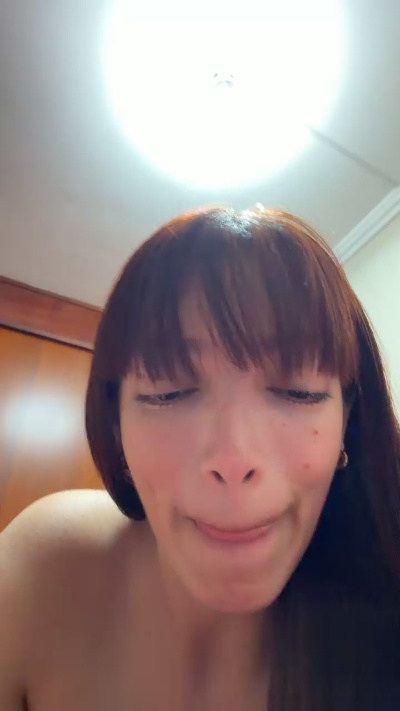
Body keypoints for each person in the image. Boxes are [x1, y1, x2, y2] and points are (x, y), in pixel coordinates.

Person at [0, 206, 399, 711]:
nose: (233, 459)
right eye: (168, 392)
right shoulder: (48, 562)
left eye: (297, 390)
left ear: (348, 422)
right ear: (117, 425)